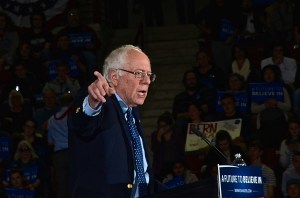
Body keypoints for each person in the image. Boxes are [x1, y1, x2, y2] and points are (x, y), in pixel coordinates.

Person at [68, 45, 157, 198]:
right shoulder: (102, 102)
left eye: (149, 75)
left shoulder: (133, 111)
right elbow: (81, 123)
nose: (147, 81)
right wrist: (92, 102)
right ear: (114, 77)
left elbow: (141, 172)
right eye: (139, 73)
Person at [47, 93, 73, 198]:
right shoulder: (73, 117)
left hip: (58, 155)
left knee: (61, 186)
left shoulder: (51, 120)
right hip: (73, 154)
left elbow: (50, 142)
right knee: (73, 184)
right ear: (72, 103)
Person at [151, 111, 185, 181]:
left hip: (175, 164)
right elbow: (154, 149)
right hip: (161, 165)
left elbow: (181, 149)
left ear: (170, 125)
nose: (162, 128)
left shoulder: (177, 134)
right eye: (160, 126)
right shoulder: (155, 135)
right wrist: (159, 138)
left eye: (164, 126)